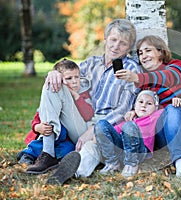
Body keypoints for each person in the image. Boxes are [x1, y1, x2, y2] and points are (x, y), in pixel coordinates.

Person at [45, 19, 141, 185]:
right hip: (81, 118)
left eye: (123, 43)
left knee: (90, 149)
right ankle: (47, 153)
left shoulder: (131, 69)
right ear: (105, 39)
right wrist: (53, 73)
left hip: (106, 126)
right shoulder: (90, 63)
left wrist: (93, 130)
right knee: (53, 83)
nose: (116, 46)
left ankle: (72, 172)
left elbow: (122, 110)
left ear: (129, 48)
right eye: (113, 39)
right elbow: (67, 75)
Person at [115, 35, 181, 177]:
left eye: (148, 51)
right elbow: (149, 110)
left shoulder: (177, 66)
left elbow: (167, 77)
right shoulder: (145, 84)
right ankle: (180, 162)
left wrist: (137, 78)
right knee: (171, 108)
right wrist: (136, 111)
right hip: (167, 138)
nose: (143, 56)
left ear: (160, 51)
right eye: (140, 53)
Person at [25, 58, 94, 174]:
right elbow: (40, 114)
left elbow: (88, 114)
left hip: (74, 137)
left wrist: (75, 96)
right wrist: (37, 127)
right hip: (54, 135)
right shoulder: (57, 93)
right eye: (69, 78)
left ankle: (57, 159)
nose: (75, 81)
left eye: (77, 77)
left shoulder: (84, 94)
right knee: (38, 144)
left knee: (67, 149)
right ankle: (33, 154)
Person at [94, 90, 163, 177]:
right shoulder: (128, 119)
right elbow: (112, 134)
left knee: (129, 126)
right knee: (100, 124)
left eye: (149, 103)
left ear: (155, 107)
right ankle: (112, 163)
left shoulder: (155, 115)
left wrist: (177, 100)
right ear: (134, 105)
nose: (144, 105)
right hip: (121, 150)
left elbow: (166, 109)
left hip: (139, 152)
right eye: (140, 102)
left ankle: (131, 164)